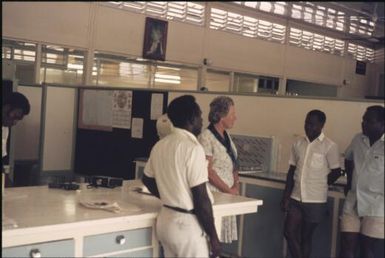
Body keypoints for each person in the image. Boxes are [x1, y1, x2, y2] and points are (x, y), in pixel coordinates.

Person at [142, 95, 221, 258]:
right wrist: (213, 236)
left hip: (166, 221)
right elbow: (201, 199)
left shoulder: (160, 145)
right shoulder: (193, 149)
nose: (202, 120)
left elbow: (147, 179)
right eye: (199, 116)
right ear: (192, 118)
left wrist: (168, 194)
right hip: (187, 226)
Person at [280, 109, 342, 258]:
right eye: (306, 123)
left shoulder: (329, 146)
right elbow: (291, 170)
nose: (308, 127)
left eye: (313, 124)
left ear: (321, 125)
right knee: (289, 232)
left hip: (315, 200)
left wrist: (321, 183)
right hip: (296, 197)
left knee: (305, 237)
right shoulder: (298, 144)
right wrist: (286, 196)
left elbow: (336, 171)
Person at [339, 105, 384, 258]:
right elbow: (348, 158)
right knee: (347, 244)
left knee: (367, 249)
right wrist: (349, 181)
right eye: (363, 120)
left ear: (382, 124)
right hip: (353, 200)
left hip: (377, 205)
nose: (363, 123)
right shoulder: (358, 139)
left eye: (369, 121)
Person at [198, 96, 239, 243]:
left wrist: (235, 185)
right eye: (232, 114)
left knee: (219, 238)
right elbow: (208, 171)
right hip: (215, 193)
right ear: (221, 116)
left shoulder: (227, 136)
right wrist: (229, 190)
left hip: (228, 193)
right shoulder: (206, 138)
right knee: (210, 237)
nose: (236, 117)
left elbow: (233, 163)